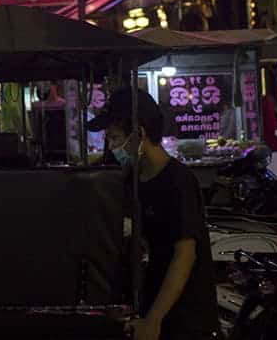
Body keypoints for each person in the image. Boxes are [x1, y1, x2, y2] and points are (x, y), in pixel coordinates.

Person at [87, 89, 219, 340]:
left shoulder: (177, 181)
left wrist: (154, 320)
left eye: (114, 138)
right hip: (153, 306)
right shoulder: (133, 180)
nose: (111, 146)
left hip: (185, 318)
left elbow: (185, 255)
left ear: (139, 135)